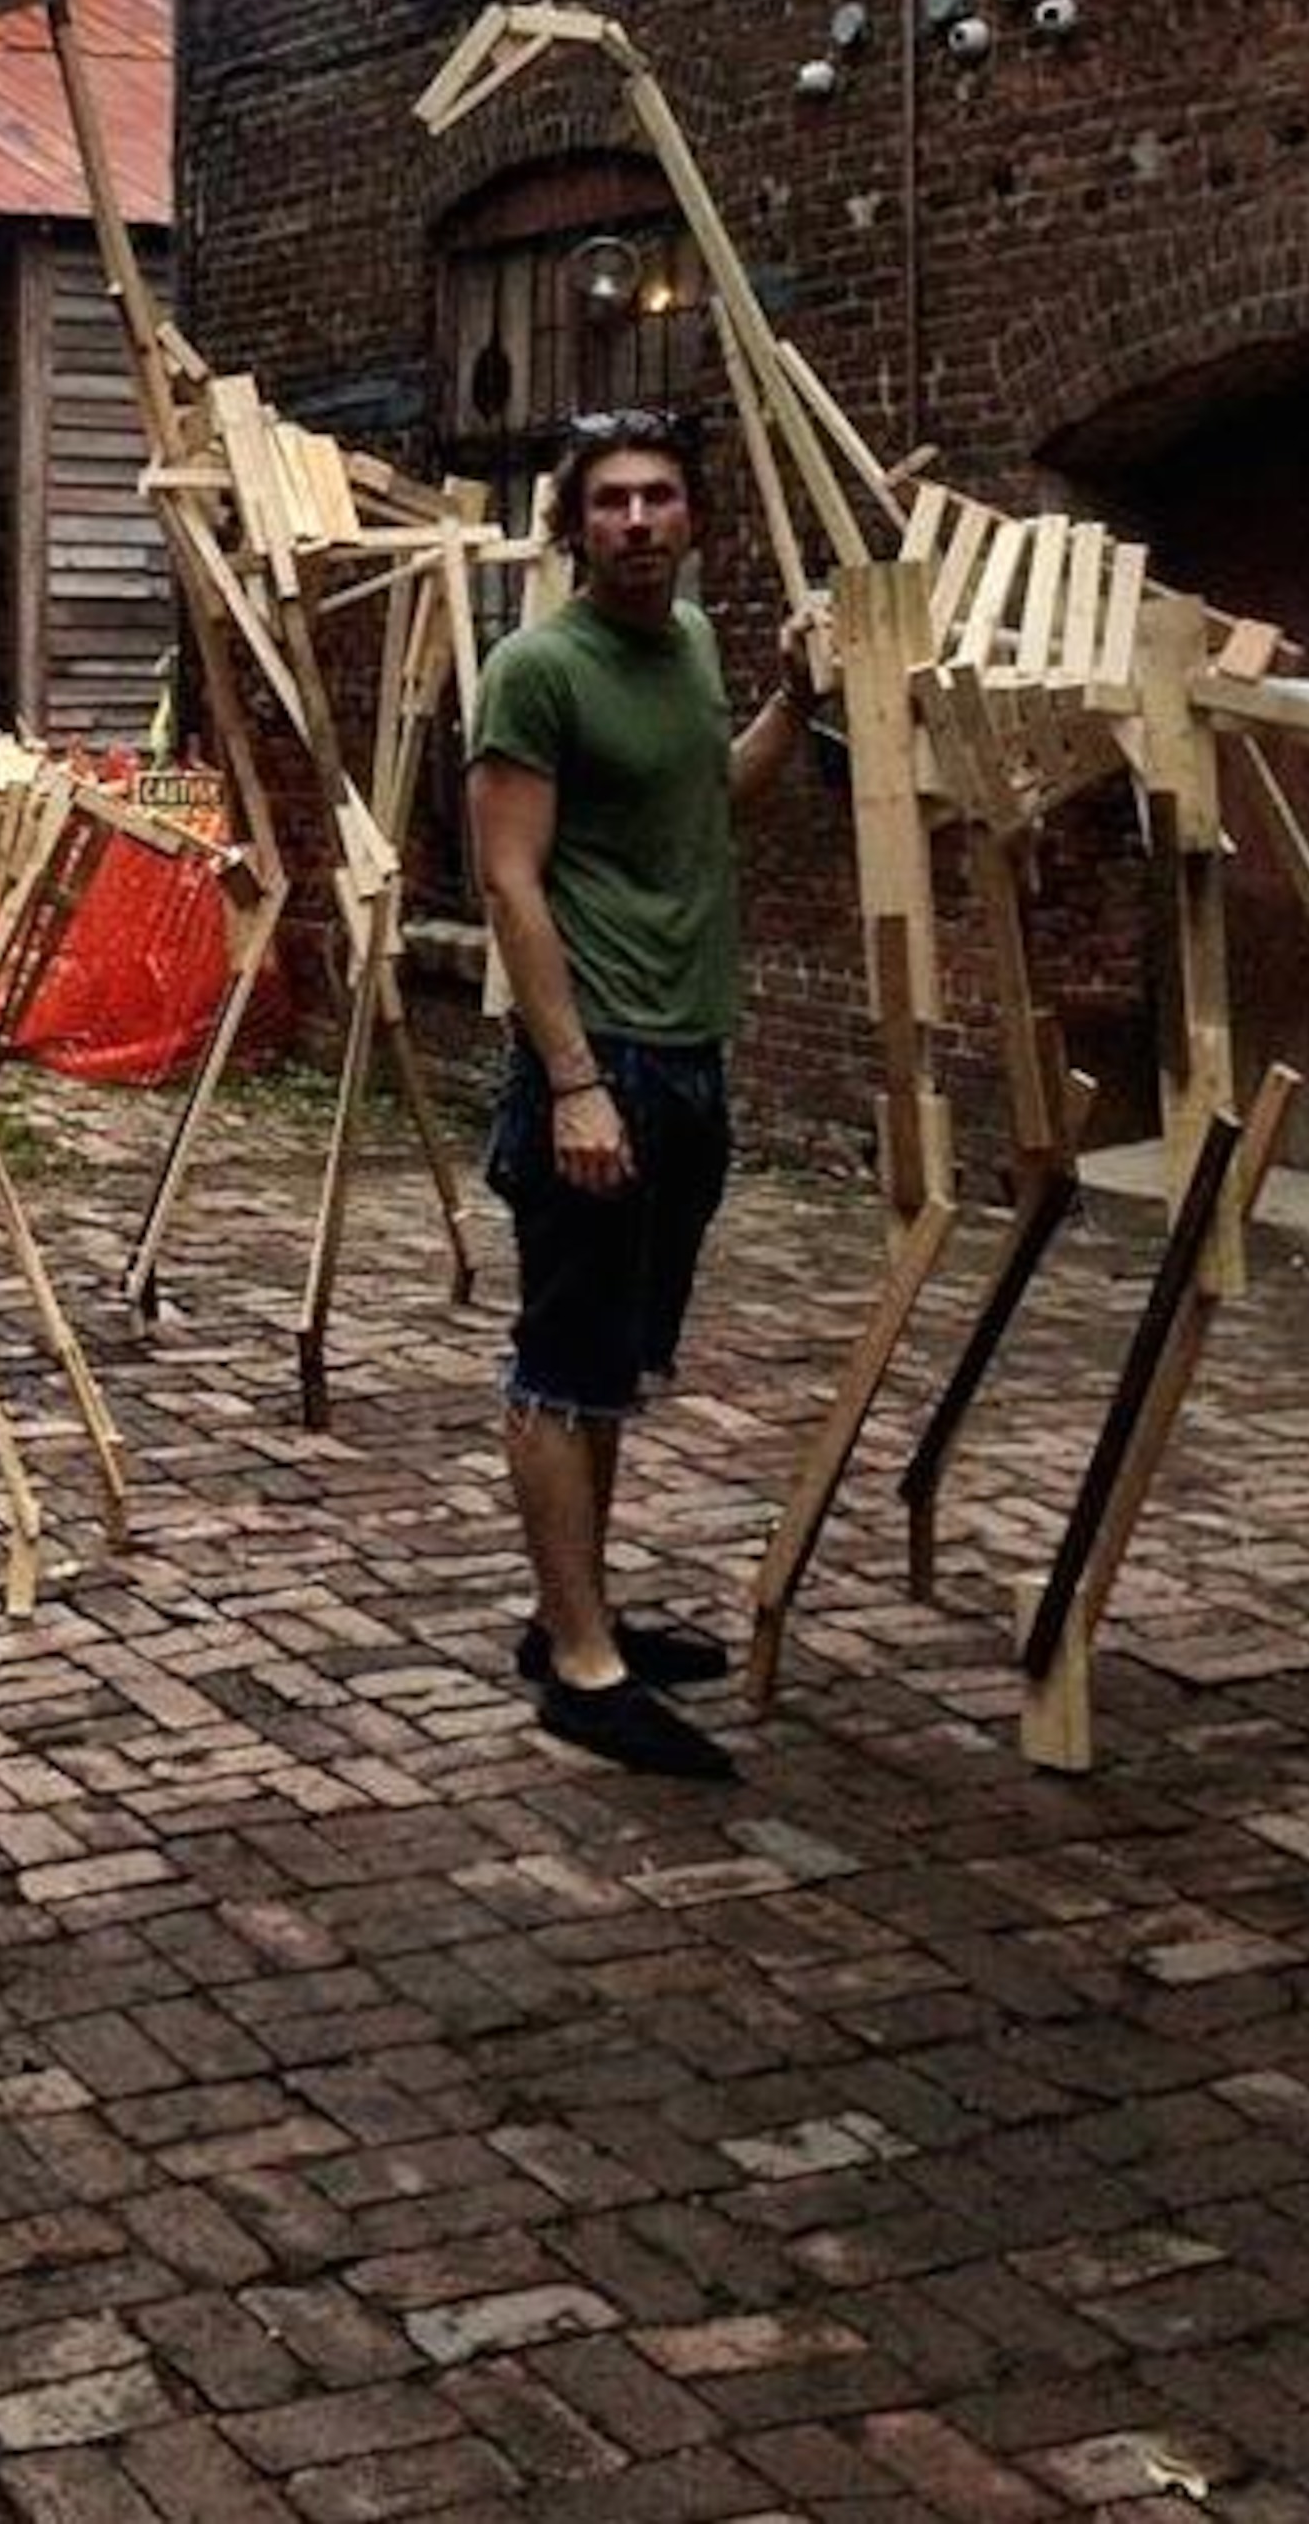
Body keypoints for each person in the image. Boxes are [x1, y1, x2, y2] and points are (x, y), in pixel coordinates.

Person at [468, 408, 818, 1780]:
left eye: (658, 497)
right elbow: (509, 881)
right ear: (573, 526)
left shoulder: (694, 647)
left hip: (688, 1053)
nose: (634, 521)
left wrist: (798, 702)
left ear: (693, 521)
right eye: (608, 500)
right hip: (597, 1056)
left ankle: (581, 1617)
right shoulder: (537, 670)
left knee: (613, 1360)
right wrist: (572, 1083)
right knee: (562, 1361)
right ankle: (581, 1668)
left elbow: (710, 801)